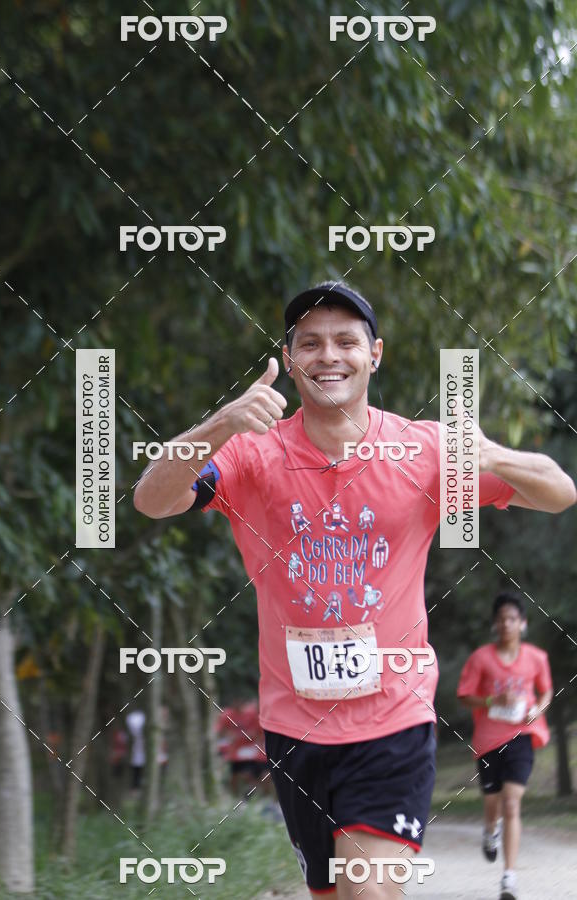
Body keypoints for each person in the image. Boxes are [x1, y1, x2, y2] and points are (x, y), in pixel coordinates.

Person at [134, 282, 575, 899]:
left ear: (376, 355)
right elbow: (151, 499)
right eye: (310, 344)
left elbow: (560, 491)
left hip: (393, 719)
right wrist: (221, 423)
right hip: (295, 728)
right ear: (289, 363)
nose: (328, 355)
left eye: (347, 341)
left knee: (367, 891)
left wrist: (489, 452)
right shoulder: (251, 453)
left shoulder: (421, 451)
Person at [457, 592, 553, 900]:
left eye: (512, 619)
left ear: (522, 624)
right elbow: (464, 695)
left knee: (512, 803)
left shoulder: (537, 658)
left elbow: (546, 690)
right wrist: (491, 700)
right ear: (494, 625)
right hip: (488, 741)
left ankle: (509, 878)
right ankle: (489, 831)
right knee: (492, 804)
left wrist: (538, 707)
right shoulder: (481, 658)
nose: (506, 624)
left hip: (522, 736)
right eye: (501, 619)